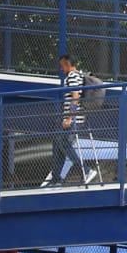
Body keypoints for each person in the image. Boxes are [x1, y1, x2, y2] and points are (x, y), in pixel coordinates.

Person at [43, 54, 96, 186]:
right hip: (72, 118)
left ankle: (86, 170)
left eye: (62, 66)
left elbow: (75, 96)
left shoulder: (72, 76)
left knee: (64, 144)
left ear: (67, 64)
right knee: (58, 144)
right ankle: (56, 178)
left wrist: (69, 117)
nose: (61, 69)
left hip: (72, 119)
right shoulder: (78, 75)